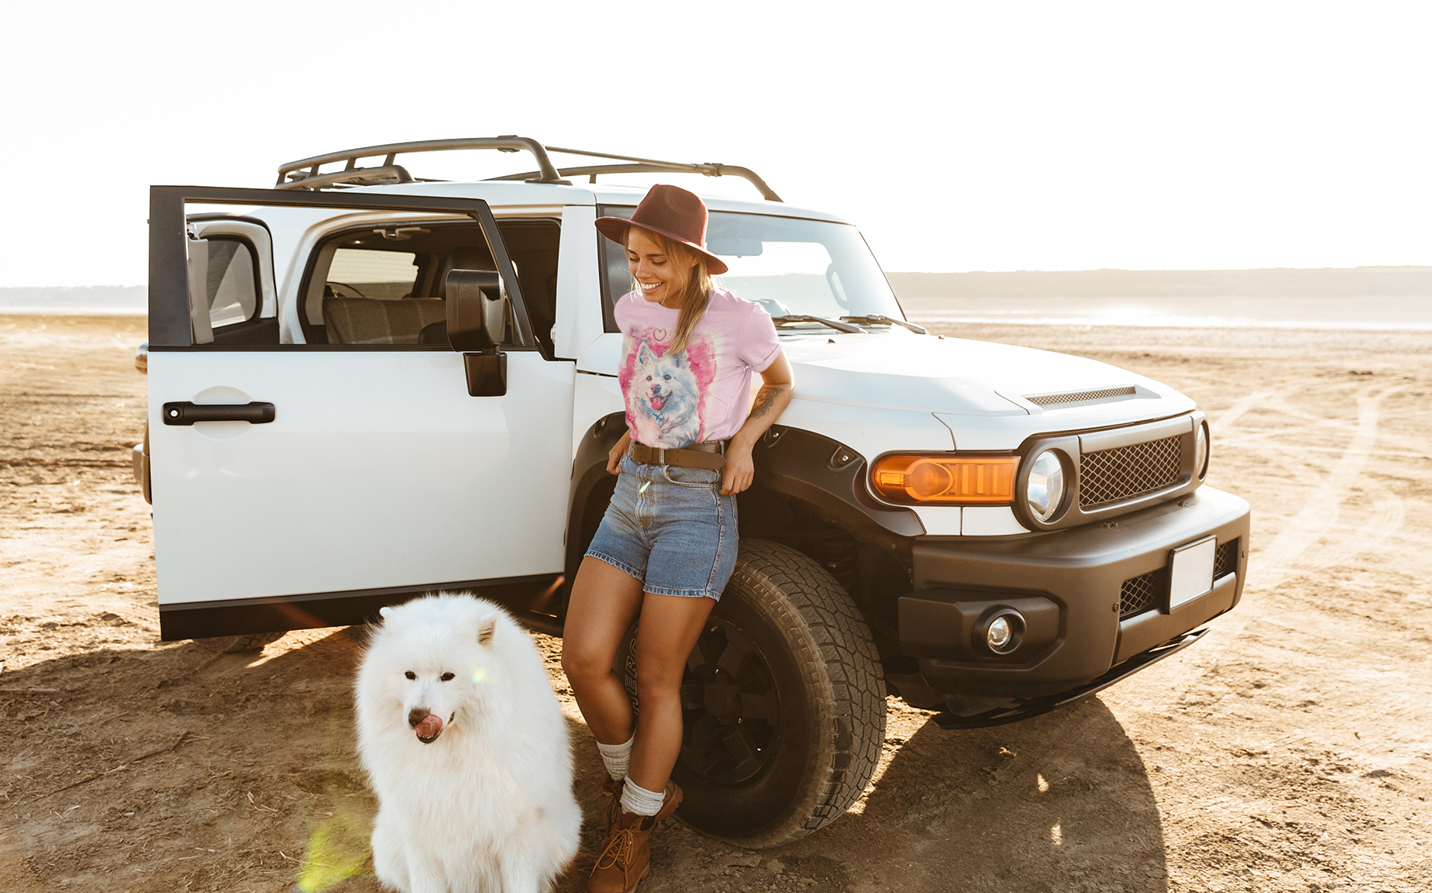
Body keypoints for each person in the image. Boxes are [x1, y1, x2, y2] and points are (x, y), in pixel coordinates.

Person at [561, 184, 793, 893]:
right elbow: (651, 382)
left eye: (656, 258)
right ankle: (640, 787)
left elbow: (780, 384)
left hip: (698, 505)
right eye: (634, 258)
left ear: (693, 258)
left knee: (658, 677)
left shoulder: (740, 319)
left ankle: (631, 831)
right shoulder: (634, 310)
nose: (642, 273)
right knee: (583, 657)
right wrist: (636, 430)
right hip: (631, 492)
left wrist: (746, 441)